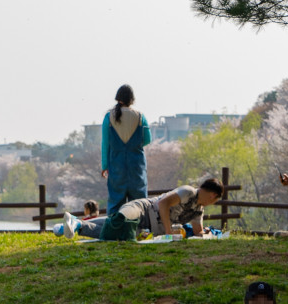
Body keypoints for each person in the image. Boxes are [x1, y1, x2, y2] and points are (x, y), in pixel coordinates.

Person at [66, 180, 223, 240]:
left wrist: (209, 234)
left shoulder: (198, 211)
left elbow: (198, 231)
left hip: (150, 228)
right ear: (213, 195)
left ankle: (78, 225)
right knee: (120, 219)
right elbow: (163, 204)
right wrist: (169, 232)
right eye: (215, 200)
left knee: (119, 233)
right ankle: (77, 224)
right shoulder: (188, 191)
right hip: (144, 208)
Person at [101, 85, 152, 215]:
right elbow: (147, 139)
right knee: (140, 203)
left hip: (117, 166)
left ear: (118, 98)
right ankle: (140, 231)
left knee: (115, 203)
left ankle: (114, 231)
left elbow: (105, 144)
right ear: (132, 99)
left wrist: (105, 166)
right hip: (136, 166)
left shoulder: (109, 117)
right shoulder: (140, 117)